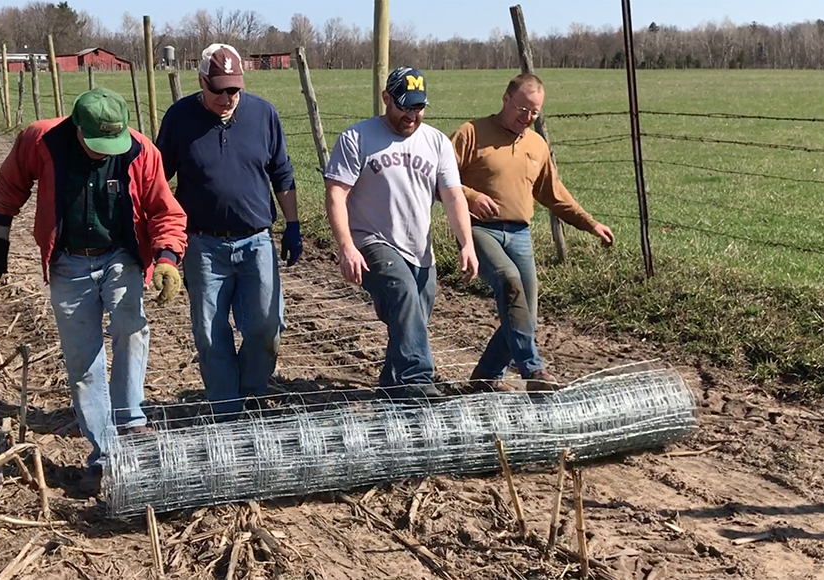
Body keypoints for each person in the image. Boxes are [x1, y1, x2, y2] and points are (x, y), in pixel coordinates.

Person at [0, 87, 188, 478]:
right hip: (69, 263)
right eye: (97, 143)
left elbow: (164, 209)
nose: (105, 151)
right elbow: (13, 180)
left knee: (131, 328)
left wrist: (167, 257)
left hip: (120, 256)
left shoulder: (142, 151)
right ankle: (105, 450)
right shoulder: (41, 140)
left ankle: (130, 419)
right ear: (77, 127)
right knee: (83, 358)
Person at [155, 43, 301, 417]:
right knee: (209, 332)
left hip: (256, 241)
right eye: (218, 89)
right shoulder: (179, 118)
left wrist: (294, 225)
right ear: (201, 81)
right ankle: (227, 411)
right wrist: (161, 244)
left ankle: (251, 394)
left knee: (266, 326)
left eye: (233, 89)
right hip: (203, 245)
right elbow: (156, 180)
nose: (226, 97)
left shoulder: (263, 115)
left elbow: (282, 173)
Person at [450, 73, 614, 392]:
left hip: (520, 234)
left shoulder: (537, 144)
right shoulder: (471, 133)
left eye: (534, 113)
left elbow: (554, 194)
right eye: (522, 109)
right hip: (478, 230)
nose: (526, 117)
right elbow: (439, 178)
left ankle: (485, 378)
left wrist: (590, 223)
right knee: (509, 282)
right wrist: (470, 196)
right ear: (506, 99)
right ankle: (533, 370)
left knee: (526, 315)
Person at [324, 66, 479, 399]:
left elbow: (453, 196)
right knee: (404, 297)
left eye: (418, 107)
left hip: (419, 248)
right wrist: (346, 246)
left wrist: (466, 244)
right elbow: (336, 194)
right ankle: (417, 380)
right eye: (404, 106)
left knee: (412, 320)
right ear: (386, 99)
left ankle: (392, 388)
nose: (411, 115)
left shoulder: (437, 142)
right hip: (371, 240)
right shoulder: (358, 138)